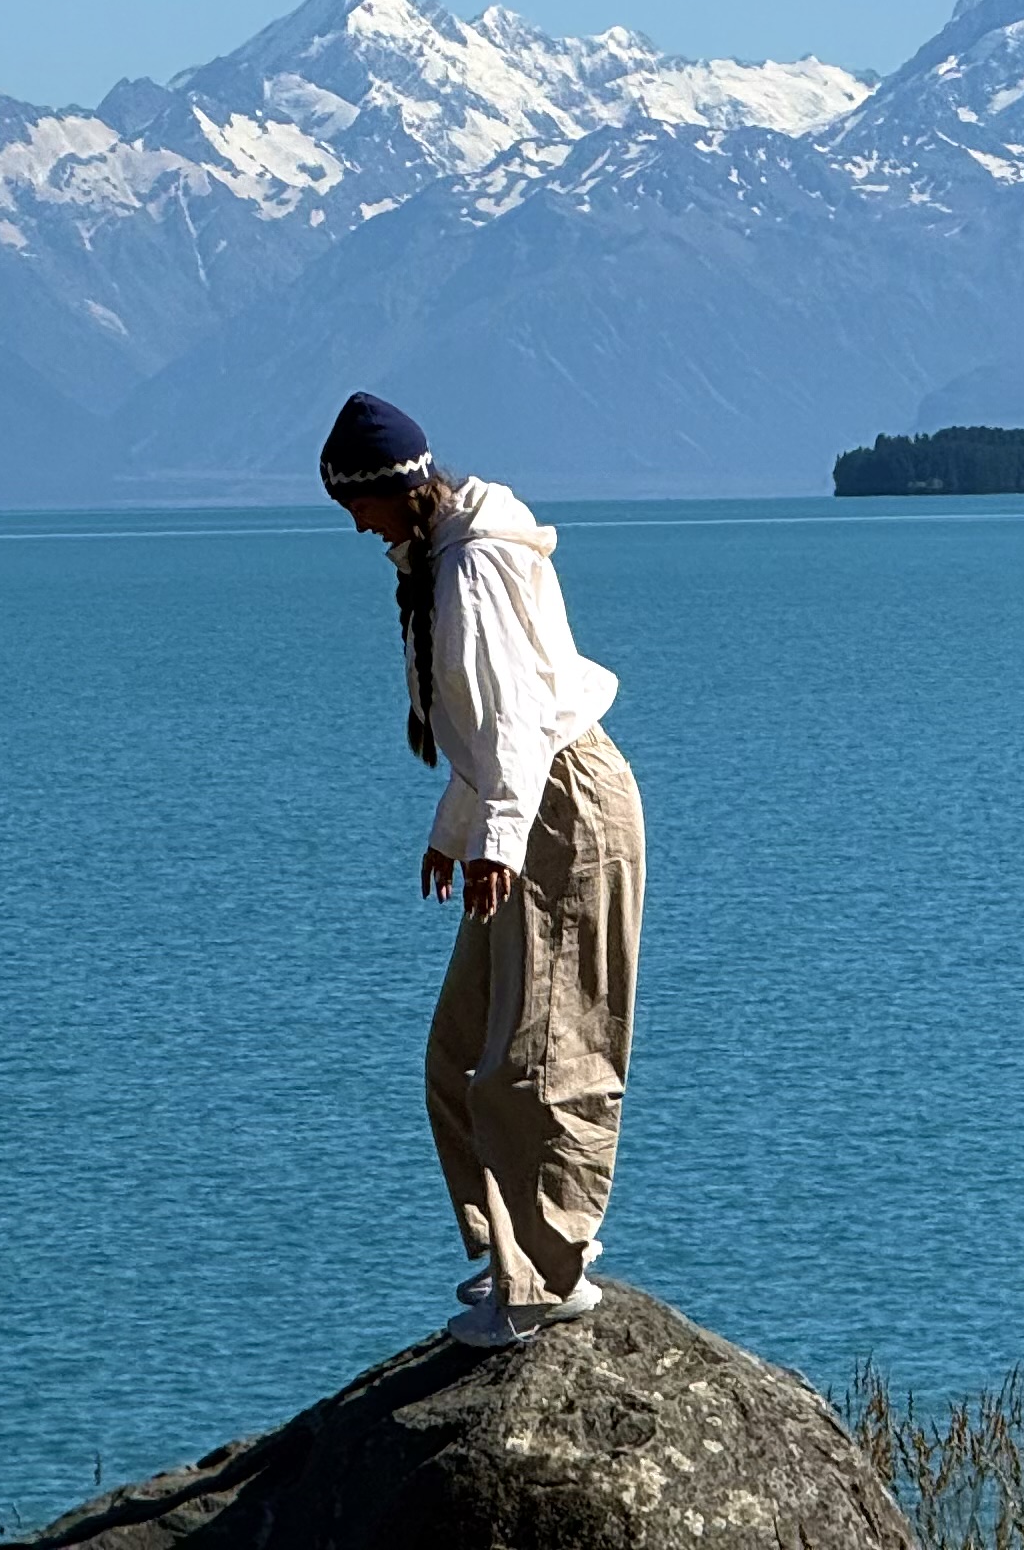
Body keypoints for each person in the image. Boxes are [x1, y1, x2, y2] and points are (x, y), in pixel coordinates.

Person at [319, 390, 646, 1350]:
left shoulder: (471, 568)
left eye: (357, 503)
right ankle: (509, 1249)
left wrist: (494, 842)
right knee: (460, 1054)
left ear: (397, 488)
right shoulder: (443, 558)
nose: (356, 525)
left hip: (564, 808)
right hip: (527, 796)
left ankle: (547, 1279)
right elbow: (486, 733)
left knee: (537, 1059)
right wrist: (453, 831)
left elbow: (517, 719)